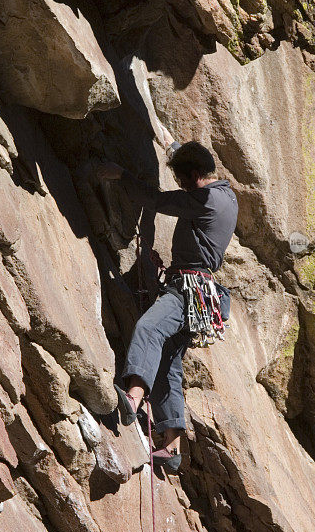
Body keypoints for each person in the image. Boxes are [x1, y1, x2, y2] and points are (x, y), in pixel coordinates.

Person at [97, 125, 238, 473]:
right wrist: (171, 144)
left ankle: (132, 398)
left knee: (148, 329)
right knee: (168, 365)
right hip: (202, 295)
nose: (181, 185)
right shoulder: (226, 196)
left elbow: (158, 201)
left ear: (193, 177)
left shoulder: (204, 201)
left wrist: (121, 175)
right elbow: (190, 168)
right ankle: (172, 446)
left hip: (188, 289)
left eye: (182, 179)